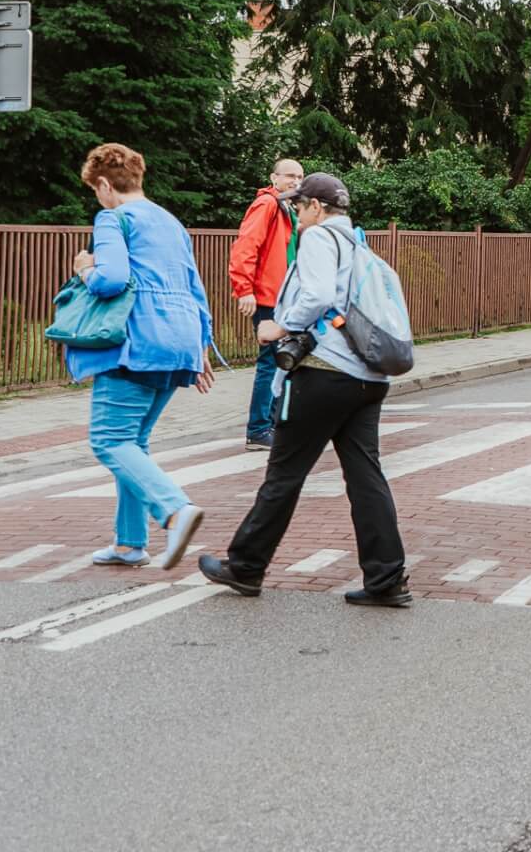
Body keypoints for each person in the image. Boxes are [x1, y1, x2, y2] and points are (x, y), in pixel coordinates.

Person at [202, 174, 413, 607]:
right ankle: (387, 578)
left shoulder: (319, 239)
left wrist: (278, 326)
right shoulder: (358, 244)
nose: (296, 214)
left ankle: (245, 567)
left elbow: (315, 296)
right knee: (365, 476)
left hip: (324, 372)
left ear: (317, 207)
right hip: (368, 378)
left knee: (284, 473)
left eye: (299, 207)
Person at [64, 144, 213, 571]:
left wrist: (84, 270)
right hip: (179, 341)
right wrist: (201, 347)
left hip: (136, 342)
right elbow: (194, 286)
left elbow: (111, 280)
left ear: (106, 185)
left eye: (96, 190)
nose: (98, 197)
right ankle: (130, 544)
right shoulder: (170, 221)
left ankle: (174, 509)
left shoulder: (113, 217)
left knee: (109, 440)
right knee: (135, 444)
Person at [228, 157, 304, 450]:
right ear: (274, 177)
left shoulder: (287, 208)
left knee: (281, 361)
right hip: (267, 297)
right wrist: (244, 288)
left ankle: (270, 426)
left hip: (281, 296)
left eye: (299, 176)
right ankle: (259, 429)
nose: (295, 181)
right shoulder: (267, 205)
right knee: (270, 362)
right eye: (289, 176)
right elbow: (246, 246)